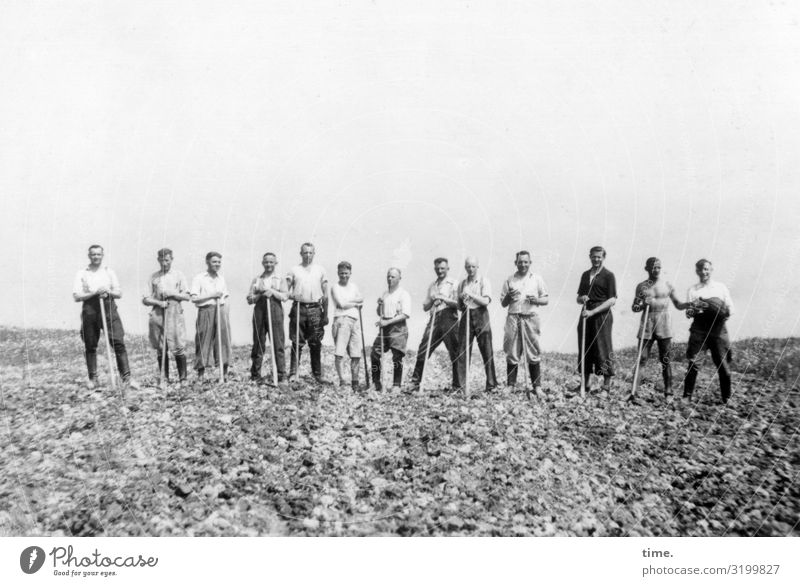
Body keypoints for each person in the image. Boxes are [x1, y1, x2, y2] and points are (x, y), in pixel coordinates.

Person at [72, 244, 139, 389]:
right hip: (90, 309)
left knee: (118, 342)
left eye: (98, 254)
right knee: (90, 344)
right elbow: (77, 296)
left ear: (103, 255)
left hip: (109, 308)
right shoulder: (82, 273)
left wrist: (107, 291)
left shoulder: (109, 272)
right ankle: (93, 379)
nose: (96, 257)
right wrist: (94, 293)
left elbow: (119, 293)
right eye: (93, 254)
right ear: (89, 256)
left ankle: (126, 378)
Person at [630, 257, 685, 404]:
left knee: (665, 359)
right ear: (647, 268)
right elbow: (634, 308)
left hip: (663, 322)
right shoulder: (641, 286)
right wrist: (642, 304)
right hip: (647, 322)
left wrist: (690, 304)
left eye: (659, 267)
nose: (656, 270)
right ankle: (633, 393)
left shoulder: (667, 284)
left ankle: (669, 393)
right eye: (653, 267)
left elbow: (678, 304)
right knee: (642, 359)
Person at [682, 259, 735, 404]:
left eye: (707, 269)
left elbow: (731, 309)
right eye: (701, 269)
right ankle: (687, 396)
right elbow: (688, 313)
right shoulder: (693, 290)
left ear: (711, 270)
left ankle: (727, 397)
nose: (704, 272)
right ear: (697, 271)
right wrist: (697, 308)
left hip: (718, 329)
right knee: (694, 362)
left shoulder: (721, 287)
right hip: (699, 328)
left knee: (723, 364)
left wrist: (720, 312)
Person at [500, 250, 549, 397]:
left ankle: (537, 387)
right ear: (516, 263)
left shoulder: (537, 279)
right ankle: (510, 385)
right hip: (513, 317)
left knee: (533, 352)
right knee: (512, 351)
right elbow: (503, 303)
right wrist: (508, 296)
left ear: (530, 263)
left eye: (525, 262)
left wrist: (535, 300)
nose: (523, 264)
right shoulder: (510, 280)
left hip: (530, 317)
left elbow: (545, 299)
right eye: (520, 262)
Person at [408, 257, 460, 392]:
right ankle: (415, 382)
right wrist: (432, 300)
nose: (440, 271)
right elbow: (425, 307)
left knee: (455, 352)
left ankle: (458, 384)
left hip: (450, 318)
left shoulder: (454, 283)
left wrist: (443, 298)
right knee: (423, 349)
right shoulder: (432, 285)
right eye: (437, 269)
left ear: (448, 268)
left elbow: (459, 304)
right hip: (435, 318)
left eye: (442, 268)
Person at [141, 248, 190, 386]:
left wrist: (171, 293)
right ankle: (165, 378)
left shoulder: (179, 275)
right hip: (158, 313)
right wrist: (159, 302)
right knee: (161, 347)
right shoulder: (153, 277)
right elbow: (145, 299)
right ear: (158, 260)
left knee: (178, 344)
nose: (164, 263)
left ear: (172, 259)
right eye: (162, 260)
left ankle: (183, 378)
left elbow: (187, 296)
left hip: (174, 312)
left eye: (167, 260)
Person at [286, 242, 330, 384]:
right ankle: (293, 373)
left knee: (315, 342)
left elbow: (325, 294)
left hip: (315, 309)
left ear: (314, 253)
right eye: (305, 252)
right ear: (301, 254)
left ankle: (317, 374)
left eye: (310, 252)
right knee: (296, 342)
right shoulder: (294, 270)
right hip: (299, 308)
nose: (308, 255)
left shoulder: (320, 270)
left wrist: (325, 315)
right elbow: (284, 291)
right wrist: (293, 296)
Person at [576, 246, 617, 396]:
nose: (596, 259)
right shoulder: (585, 275)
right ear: (590, 257)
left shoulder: (608, 275)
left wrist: (593, 311)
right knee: (585, 347)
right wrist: (582, 298)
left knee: (603, 348)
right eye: (594, 257)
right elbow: (578, 297)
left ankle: (606, 387)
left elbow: (612, 300)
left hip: (601, 315)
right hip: (586, 314)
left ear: (603, 257)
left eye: (599, 257)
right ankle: (585, 384)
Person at [455, 256, 498, 393]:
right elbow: (459, 306)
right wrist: (462, 298)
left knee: (487, 350)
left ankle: (491, 385)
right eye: (468, 266)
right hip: (466, 315)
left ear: (477, 267)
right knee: (462, 351)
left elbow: (486, 301)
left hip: (481, 315)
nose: (471, 269)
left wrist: (471, 295)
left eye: (473, 266)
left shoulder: (484, 281)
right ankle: (461, 386)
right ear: (465, 267)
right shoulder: (462, 284)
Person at [247, 252, 288, 384]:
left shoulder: (280, 278)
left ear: (276, 263)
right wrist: (260, 295)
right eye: (266, 262)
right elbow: (249, 299)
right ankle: (255, 375)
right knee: (258, 343)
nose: (269, 264)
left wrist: (273, 292)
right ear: (262, 263)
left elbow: (285, 296)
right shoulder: (257, 279)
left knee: (278, 343)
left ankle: (281, 375)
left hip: (275, 310)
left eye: (271, 262)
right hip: (260, 311)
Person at [190, 251, 232, 381]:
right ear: (207, 262)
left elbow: (224, 296)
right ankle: (201, 375)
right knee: (203, 340)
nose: (217, 264)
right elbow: (194, 298)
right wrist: (212, 295)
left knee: (224, 340)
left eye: (219, 262)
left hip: (220, 309)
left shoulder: (221, 278)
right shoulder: (199, 278)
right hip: (205, 310)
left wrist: (224, 310)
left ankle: (224, 373)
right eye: (214, 262)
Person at [371, 268, 412, 391]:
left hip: (398, 327)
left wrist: (387, 322)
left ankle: (396, 385)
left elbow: (406, 314)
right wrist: (379, 305)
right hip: (385, 327)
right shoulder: (385, 294)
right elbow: (379, 312)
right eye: (388, 276)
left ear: (399, 278)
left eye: (393, 277)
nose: (390, 279)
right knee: (375, 352)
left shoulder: (403, 294)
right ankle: (376, 382)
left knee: (397, 357)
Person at [330, 261, 365, 390]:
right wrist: (355, 303)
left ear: (350, 273)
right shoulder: (335, 287)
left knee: (356, 354)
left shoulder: (354, 286)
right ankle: (343, 380)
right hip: (341, 320)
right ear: (338, 273)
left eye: (346, 273)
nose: (344, 276)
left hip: (354, 320)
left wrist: (350, 302)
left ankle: (355, 383)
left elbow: (361, 298)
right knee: (339, 353)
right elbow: (341, 304)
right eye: (341, 273)